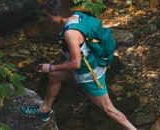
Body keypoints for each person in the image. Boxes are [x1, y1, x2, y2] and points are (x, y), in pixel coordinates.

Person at [18, 1, 136, 129]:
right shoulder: (78, 16)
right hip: (91, 61)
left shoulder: (70, 34)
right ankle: (44, 110)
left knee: (109, 109)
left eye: (49, 16)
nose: (49, 20)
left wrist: (51, 67)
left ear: (58, 15)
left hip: (89, 74)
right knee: (54, 76)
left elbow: (76, 63)